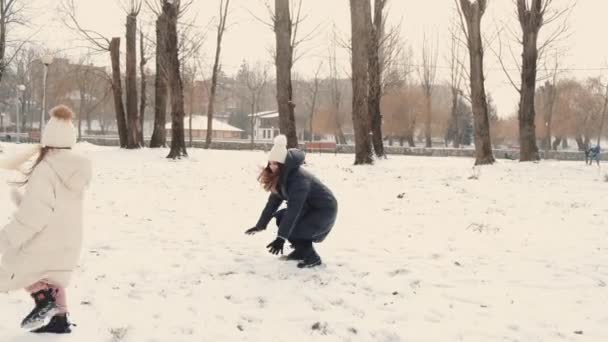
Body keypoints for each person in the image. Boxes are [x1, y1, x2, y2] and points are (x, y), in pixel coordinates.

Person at [0, 105, 92, 334]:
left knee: (10, 266)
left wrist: (6, 238)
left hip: (43, 240)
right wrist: (24, 200)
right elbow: (57, 207)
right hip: (68, 239)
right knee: (52, 277)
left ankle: (44, 302)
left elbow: (35, 216)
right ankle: (59, 319)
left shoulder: (46, 168)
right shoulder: (76, 167)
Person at [245, 135, 337, 268]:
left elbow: (294, 211)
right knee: (281, 218)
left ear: (283, 165)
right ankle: (301, 252)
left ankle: (313, 258)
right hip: (309, 208)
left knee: (294, 227)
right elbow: (272, 203)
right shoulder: (281, 178)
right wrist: (260, 225)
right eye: (270, 163)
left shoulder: (299, 181)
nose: (271, 167)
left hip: (323, 210)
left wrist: (281, 238)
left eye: (275, 164)